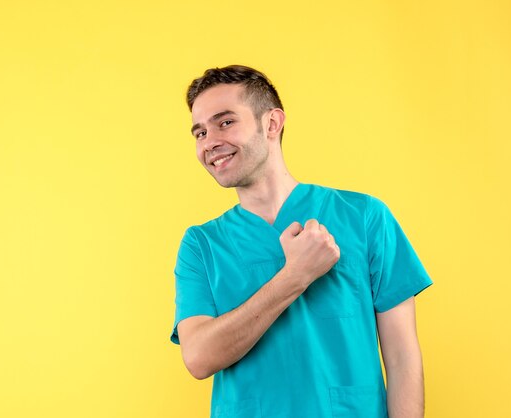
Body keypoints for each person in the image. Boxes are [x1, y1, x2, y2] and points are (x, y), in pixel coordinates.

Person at [170, 65, 433, 418]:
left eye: (225, 122)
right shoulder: (201, 245)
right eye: (199, 132)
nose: (209, 141)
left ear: (272, 123)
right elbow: (199, 358)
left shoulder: (365, 217)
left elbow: (402, 358)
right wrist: (295, 276)